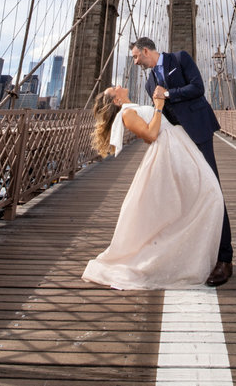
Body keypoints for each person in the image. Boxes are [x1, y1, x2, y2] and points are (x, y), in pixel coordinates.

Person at [81, 84, 224, 290]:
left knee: (201, 198)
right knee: (208, 196)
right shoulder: (127, 113)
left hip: (177, 147)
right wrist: (158, 106)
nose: (119, 85)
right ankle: (178, 260)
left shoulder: (132, 108)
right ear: (116, 101)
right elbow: (151, 135)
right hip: (169, 153)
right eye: (114, 88)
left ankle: (184, 256)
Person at [130, 36, 233, 287]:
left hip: (198, 132)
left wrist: (168, 93)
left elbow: (198, 88)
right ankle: (195, 253)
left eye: (135, 56)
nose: (135, 62)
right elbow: (161, 113)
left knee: (213, 191)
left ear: (146, 51)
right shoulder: (148, 83)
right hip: (177, 140)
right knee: (185, 196)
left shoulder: (180, 58)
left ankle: (224, 259)